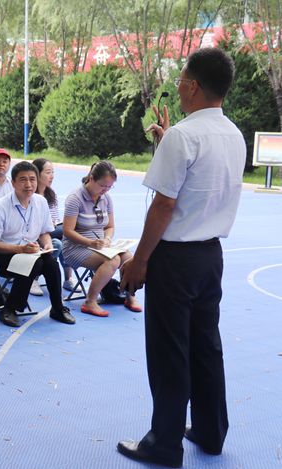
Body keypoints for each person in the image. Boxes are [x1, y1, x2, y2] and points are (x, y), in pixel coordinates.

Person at [117, 48, 245, 468]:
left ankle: (164, 443)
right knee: (206, 344)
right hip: (210, 256)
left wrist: (139, 261)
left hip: (175, 258)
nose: (178, 87)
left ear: (191, 86)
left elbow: (165, 205)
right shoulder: (233, 134)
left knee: (169, 350)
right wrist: (166, 141)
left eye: (180, 81)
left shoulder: (184, 137)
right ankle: (210, 430)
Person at [0, 161, 76, 327]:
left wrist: (47, 245)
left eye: (32, 179)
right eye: (23, 180)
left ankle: (57, 308)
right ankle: (10, 309)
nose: (28, 184)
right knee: (36, 263)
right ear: (13, 183)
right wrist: (20, 249)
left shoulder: (40, 202)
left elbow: (44, 232)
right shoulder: (0, 207)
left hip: (31, 254)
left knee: (50, 262)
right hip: (3, 256)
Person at [62, 161, 142, 317]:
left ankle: (130, 296)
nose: (105, 190)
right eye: (102, 186)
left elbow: (110, 226)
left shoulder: (106, 198)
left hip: (100, 245)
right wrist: (90, 242)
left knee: (129, 258)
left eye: (109, 187)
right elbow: (68, 231)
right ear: (91, 179)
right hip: (76, 247)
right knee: (113, 260)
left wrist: (107, 238)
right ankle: (90, 301)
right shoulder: (75, 198)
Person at [33, 158, 79, 294]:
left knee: (64, 240)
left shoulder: (51, 194)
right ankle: (33, 278)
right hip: (35, 235)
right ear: (37, 174)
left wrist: (53, 223)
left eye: (53, 172)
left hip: (51, 232)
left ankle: (68, 278)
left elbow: (55, 218)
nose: (51, 176)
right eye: (48, 172)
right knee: (67, 233)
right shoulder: (30, 195)